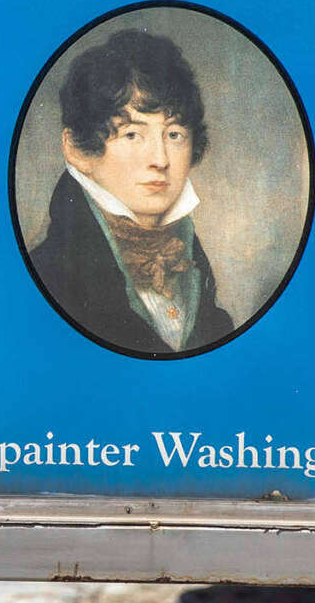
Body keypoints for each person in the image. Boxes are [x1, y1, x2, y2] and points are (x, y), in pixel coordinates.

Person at [29, 30, 237, 358]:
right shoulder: (48, 276)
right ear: (77, 150)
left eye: (174, 133)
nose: (160, 159)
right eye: (132, 134)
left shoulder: (193, 269)